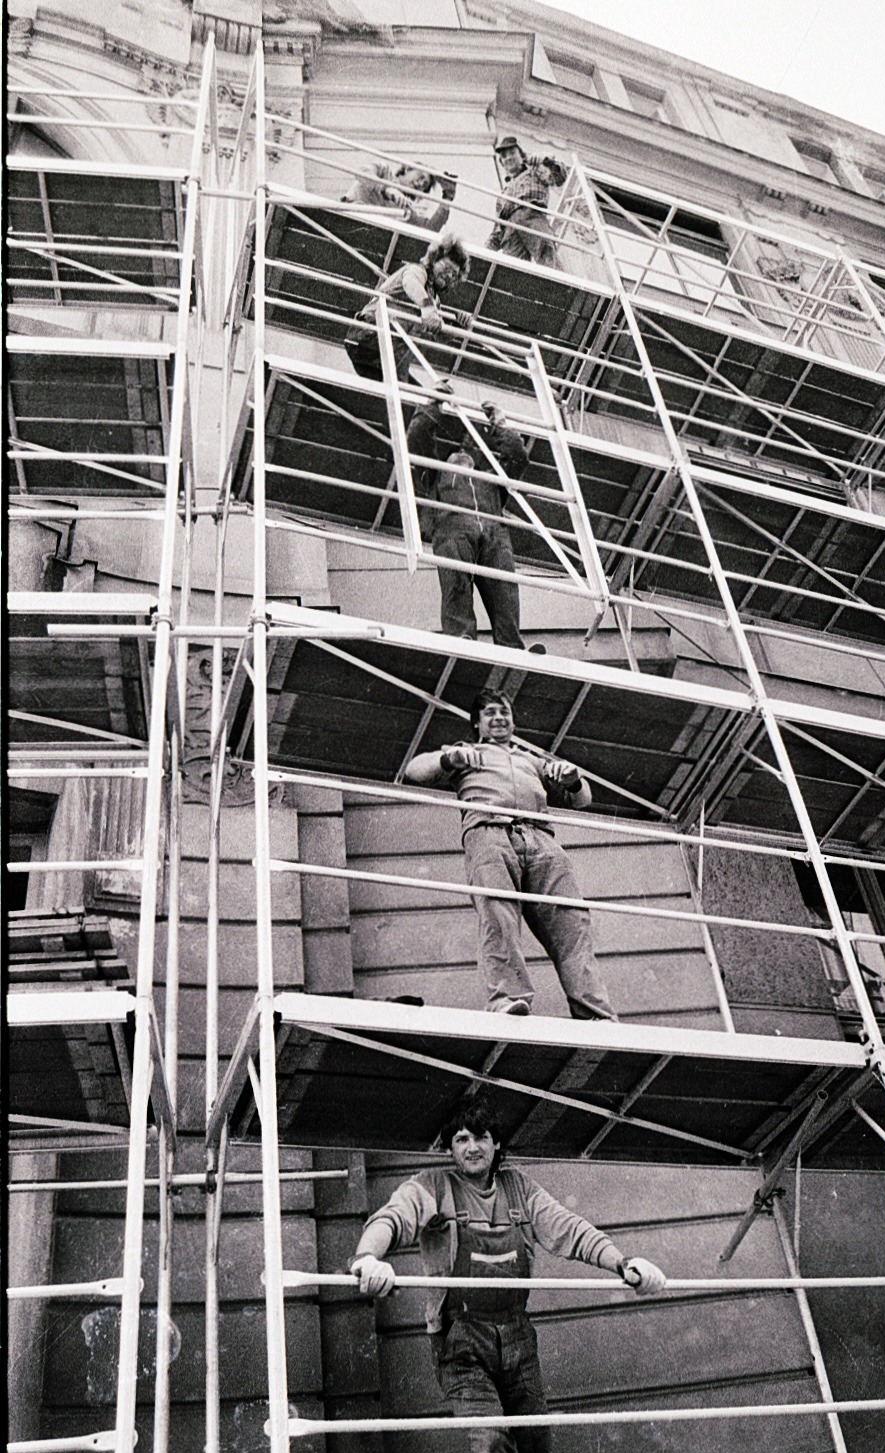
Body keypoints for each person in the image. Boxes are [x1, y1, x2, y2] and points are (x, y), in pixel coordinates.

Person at [351, 1107, 668, 1453]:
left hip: (518, 1341)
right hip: (461, 1345)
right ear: (449, 1149)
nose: (471, 1147)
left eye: (481, 1137)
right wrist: (369, 1258)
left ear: (497, 1144)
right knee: (494, 1451)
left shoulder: (520, 1190)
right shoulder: (434, 1186)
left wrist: (622, 1262)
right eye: (460, 1139)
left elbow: (568, 1229)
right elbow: (394, 1216)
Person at [403, 687, 617, 1020]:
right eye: (490, 712)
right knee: (498, 916)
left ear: (513, 722)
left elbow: (582, 799)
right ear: (477, 723)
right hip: (489, 832)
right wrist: (450, 759)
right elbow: (415, 770)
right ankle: (507, 1000)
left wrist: (574, 780)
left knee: (572, 924)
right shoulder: (467, 752)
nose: (499, 717)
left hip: (541, 838)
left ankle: (595, 1013)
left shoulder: (530, 759)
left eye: (504, 712)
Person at [405, 394, 528, 650]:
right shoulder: (435, 474)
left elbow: (517, 456)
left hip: (494, 534)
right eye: (455, 454)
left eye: (466, 454)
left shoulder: (491, 479)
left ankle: (510, 645)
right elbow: (417, 438)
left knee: (504, 591)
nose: (461, 453)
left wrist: (499, 423)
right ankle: (461, 637)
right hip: (452, 529)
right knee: (456, 584)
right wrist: (432, 403)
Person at [345, 234, 470, 384]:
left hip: (387, 354)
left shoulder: (433, 300)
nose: (449, 275)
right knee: (406, 388)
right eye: (447, 267)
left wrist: (459, 326)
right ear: (434, 260)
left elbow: (437, 334)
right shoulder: (417, 271)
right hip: (368, 335)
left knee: (412, 393)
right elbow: (411, 283)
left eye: (454, 275)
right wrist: (427, 309)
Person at [486, 136, 568, 266]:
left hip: (532, 216)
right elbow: (498, 229)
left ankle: (558, 278)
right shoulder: (503, 194)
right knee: (512, 268)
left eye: (512, 152)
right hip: (510, 231)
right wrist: (484, 251)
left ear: (522, 155)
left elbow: (559, 178)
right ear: (501, 162)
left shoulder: (535, 171)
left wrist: (547, 161)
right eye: (504, 156)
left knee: (545, 254)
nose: (508, 158)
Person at [341, 163, 457, 236]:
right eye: (421, 176)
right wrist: (387, 189)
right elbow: (361, 171)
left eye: (425, 185)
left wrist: (448, 196)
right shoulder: (384, 171)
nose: (421, 183)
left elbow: (428, 229)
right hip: (348, 219)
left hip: (370, 237)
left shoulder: (407, 208)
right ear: (407, 169)